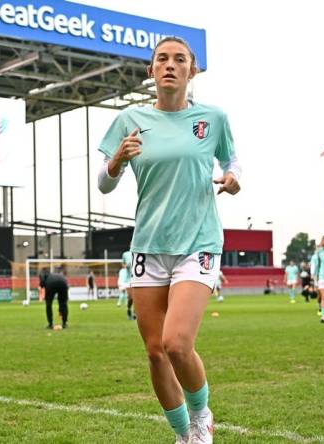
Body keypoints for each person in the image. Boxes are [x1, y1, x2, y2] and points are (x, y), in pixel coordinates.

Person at [97, 36, 241, 444]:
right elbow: (104, 185)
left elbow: (231, 160)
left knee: (177, 343)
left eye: (180, 59)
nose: (171, 65)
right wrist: (116, 160)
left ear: (192, 71)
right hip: (148, 246)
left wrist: (232, 179)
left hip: (198, 242)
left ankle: (202, 416)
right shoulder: (129, 120)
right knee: (155, 352)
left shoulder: (212, 118)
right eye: (162, 59)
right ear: (151, 70)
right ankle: (183, 435)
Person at [122, 250, 136, 318]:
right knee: (130, 297)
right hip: (128, 279)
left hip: (137, 279)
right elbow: (123, 265)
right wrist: (126, 265)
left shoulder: (138, 253)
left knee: (135, 297)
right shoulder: (125, 254)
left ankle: (135, 313)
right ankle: (128, 309)